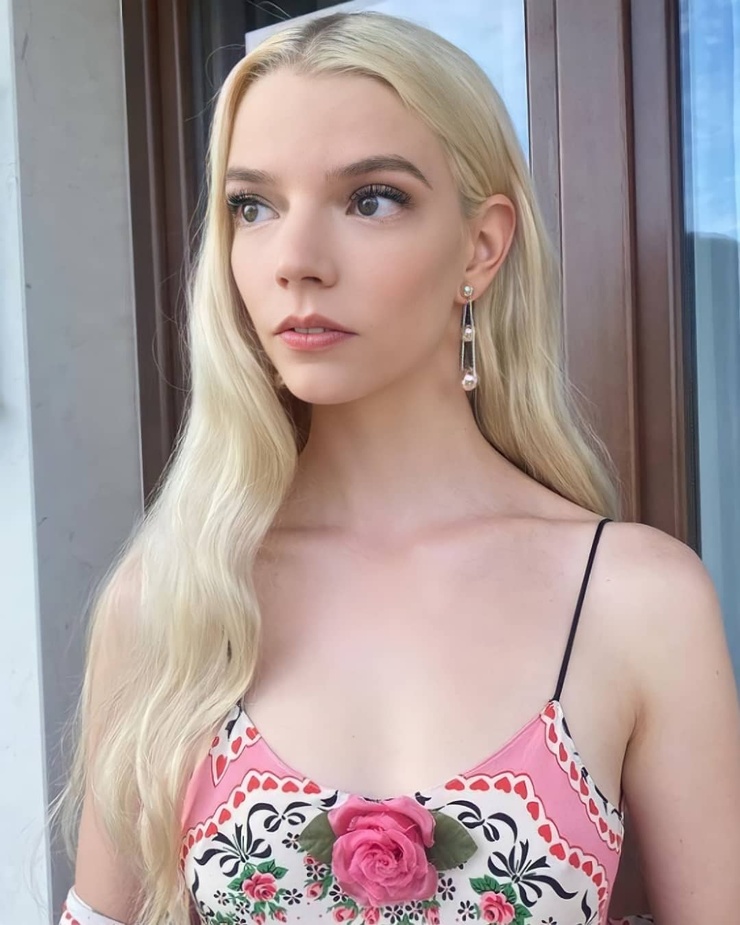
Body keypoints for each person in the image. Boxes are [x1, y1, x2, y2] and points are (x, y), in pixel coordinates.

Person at [51, 11, 740, 925]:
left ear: (481, 245)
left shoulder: (635, 599)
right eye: (253, 207)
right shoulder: (174, 600)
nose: (296, 261)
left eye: (371, 199)